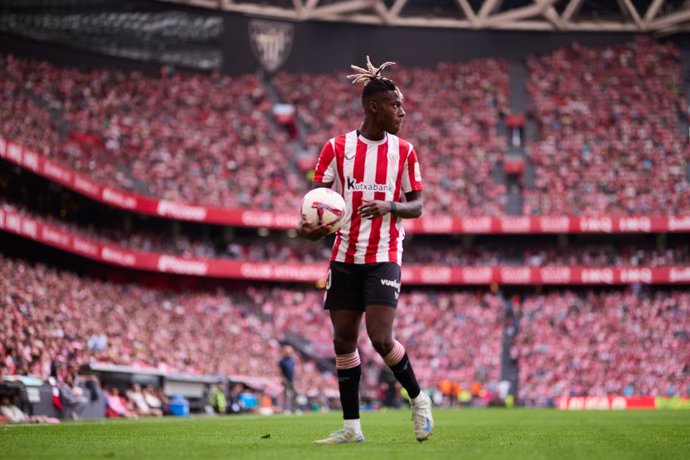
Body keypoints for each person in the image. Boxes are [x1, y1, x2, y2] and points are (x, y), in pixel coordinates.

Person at [298, 56, 433, 444]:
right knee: (342, 341)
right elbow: (318, 199)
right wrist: (307, 228)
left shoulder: (404, 152)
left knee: (379, 337)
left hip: (385, 254)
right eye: (396, 105)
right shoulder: (336, 148)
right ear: (374, 107)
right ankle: (352, 429)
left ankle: (419, 399)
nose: (402, 112)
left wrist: (390, 205)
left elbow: (417, 206)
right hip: (344, 255)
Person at [278, 345, 298, 414]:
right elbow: (279, 371)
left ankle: (294, 409)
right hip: (286, 379)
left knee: (294, 394)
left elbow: (294, 371)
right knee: (286, 395)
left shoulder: (292, 360)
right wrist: (281, 378)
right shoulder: (282, 361)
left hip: (292, 380)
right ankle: (286, 409)